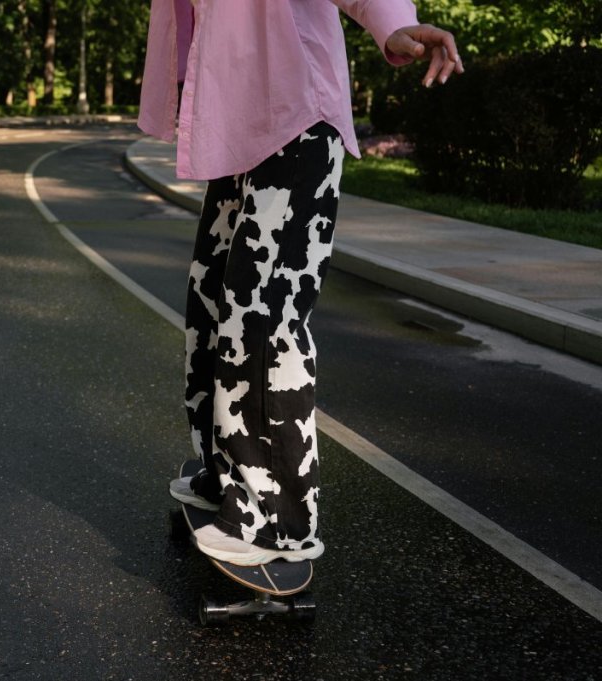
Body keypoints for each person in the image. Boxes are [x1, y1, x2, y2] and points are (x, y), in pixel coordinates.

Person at [138, 0, 463, 566]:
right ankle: (225, 470)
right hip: (233, 116)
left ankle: (279, 518)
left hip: (295, 112)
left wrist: (393, 21)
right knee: (211, 302)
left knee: (263, 317)